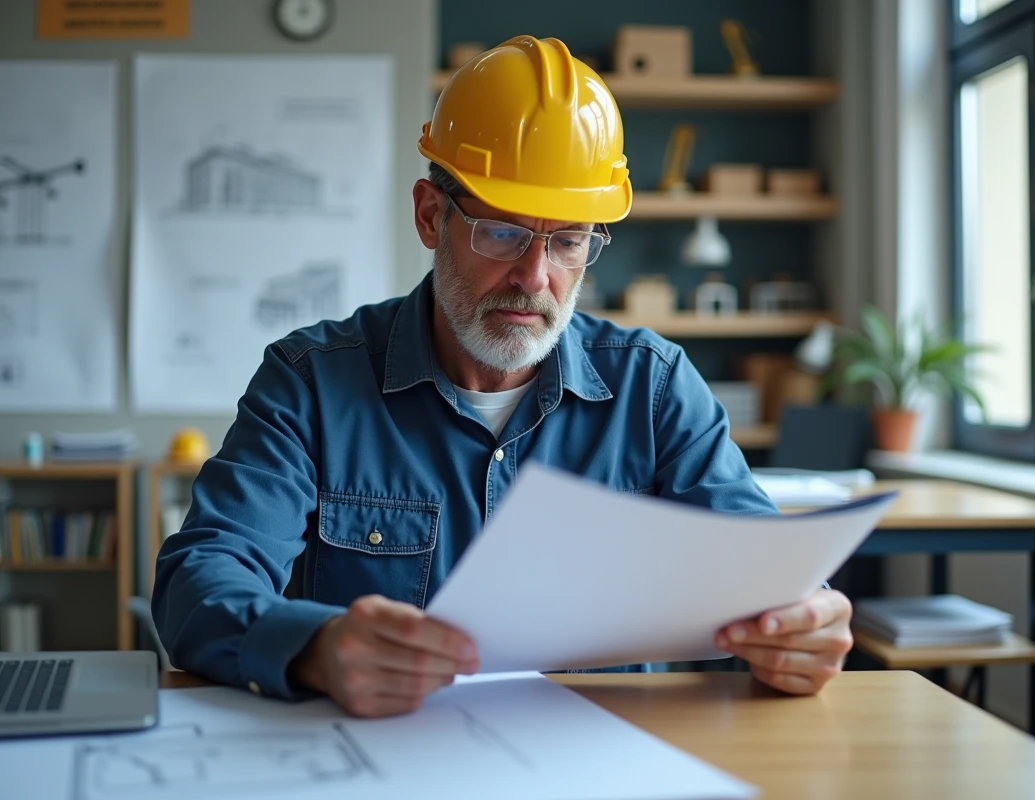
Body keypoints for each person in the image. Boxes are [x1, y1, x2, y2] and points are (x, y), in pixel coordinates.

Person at [152, 35, 853, 719]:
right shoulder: (310, 385)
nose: (534, 276)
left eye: (569, 241)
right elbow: (199, 580)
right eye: (502, 232)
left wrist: (803, 622)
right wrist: (315, 648)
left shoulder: (656, 389)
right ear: (431, 216)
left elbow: (770, 580)